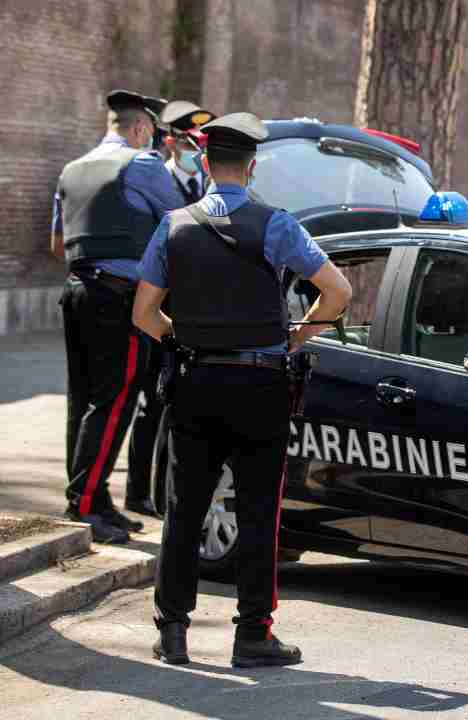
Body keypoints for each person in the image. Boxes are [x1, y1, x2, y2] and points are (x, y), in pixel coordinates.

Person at [133, 112, 352, 667]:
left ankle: (174, 632)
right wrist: (296, 338)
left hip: (196, 380)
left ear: (204, 164)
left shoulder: (173, 225)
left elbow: (143, 313)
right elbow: (338, 291)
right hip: (261, 384)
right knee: (259, 510)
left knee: (185, 510)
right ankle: (253, 635)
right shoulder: (276, 225)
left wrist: (183, 337)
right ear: (251, 168)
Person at [51, 89, 182, 543]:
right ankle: (84, 504)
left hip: (75, 291)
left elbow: (57, 244)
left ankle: (92, 496)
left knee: (82, 400)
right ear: (142, 129)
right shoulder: (142, 164)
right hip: (119, 297)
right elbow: (180, 224)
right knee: (113, 401)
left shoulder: (71, 170)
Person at [124, 100, 219, 518]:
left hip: (192, 312)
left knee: (179, 403)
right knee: (149, 401)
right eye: (188, 142)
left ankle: (170, 491)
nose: (196, 151)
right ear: (170, 141)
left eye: (201, 144)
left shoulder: (204, 186)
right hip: (158, 309)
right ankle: (136, 491)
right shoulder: (155, 181)